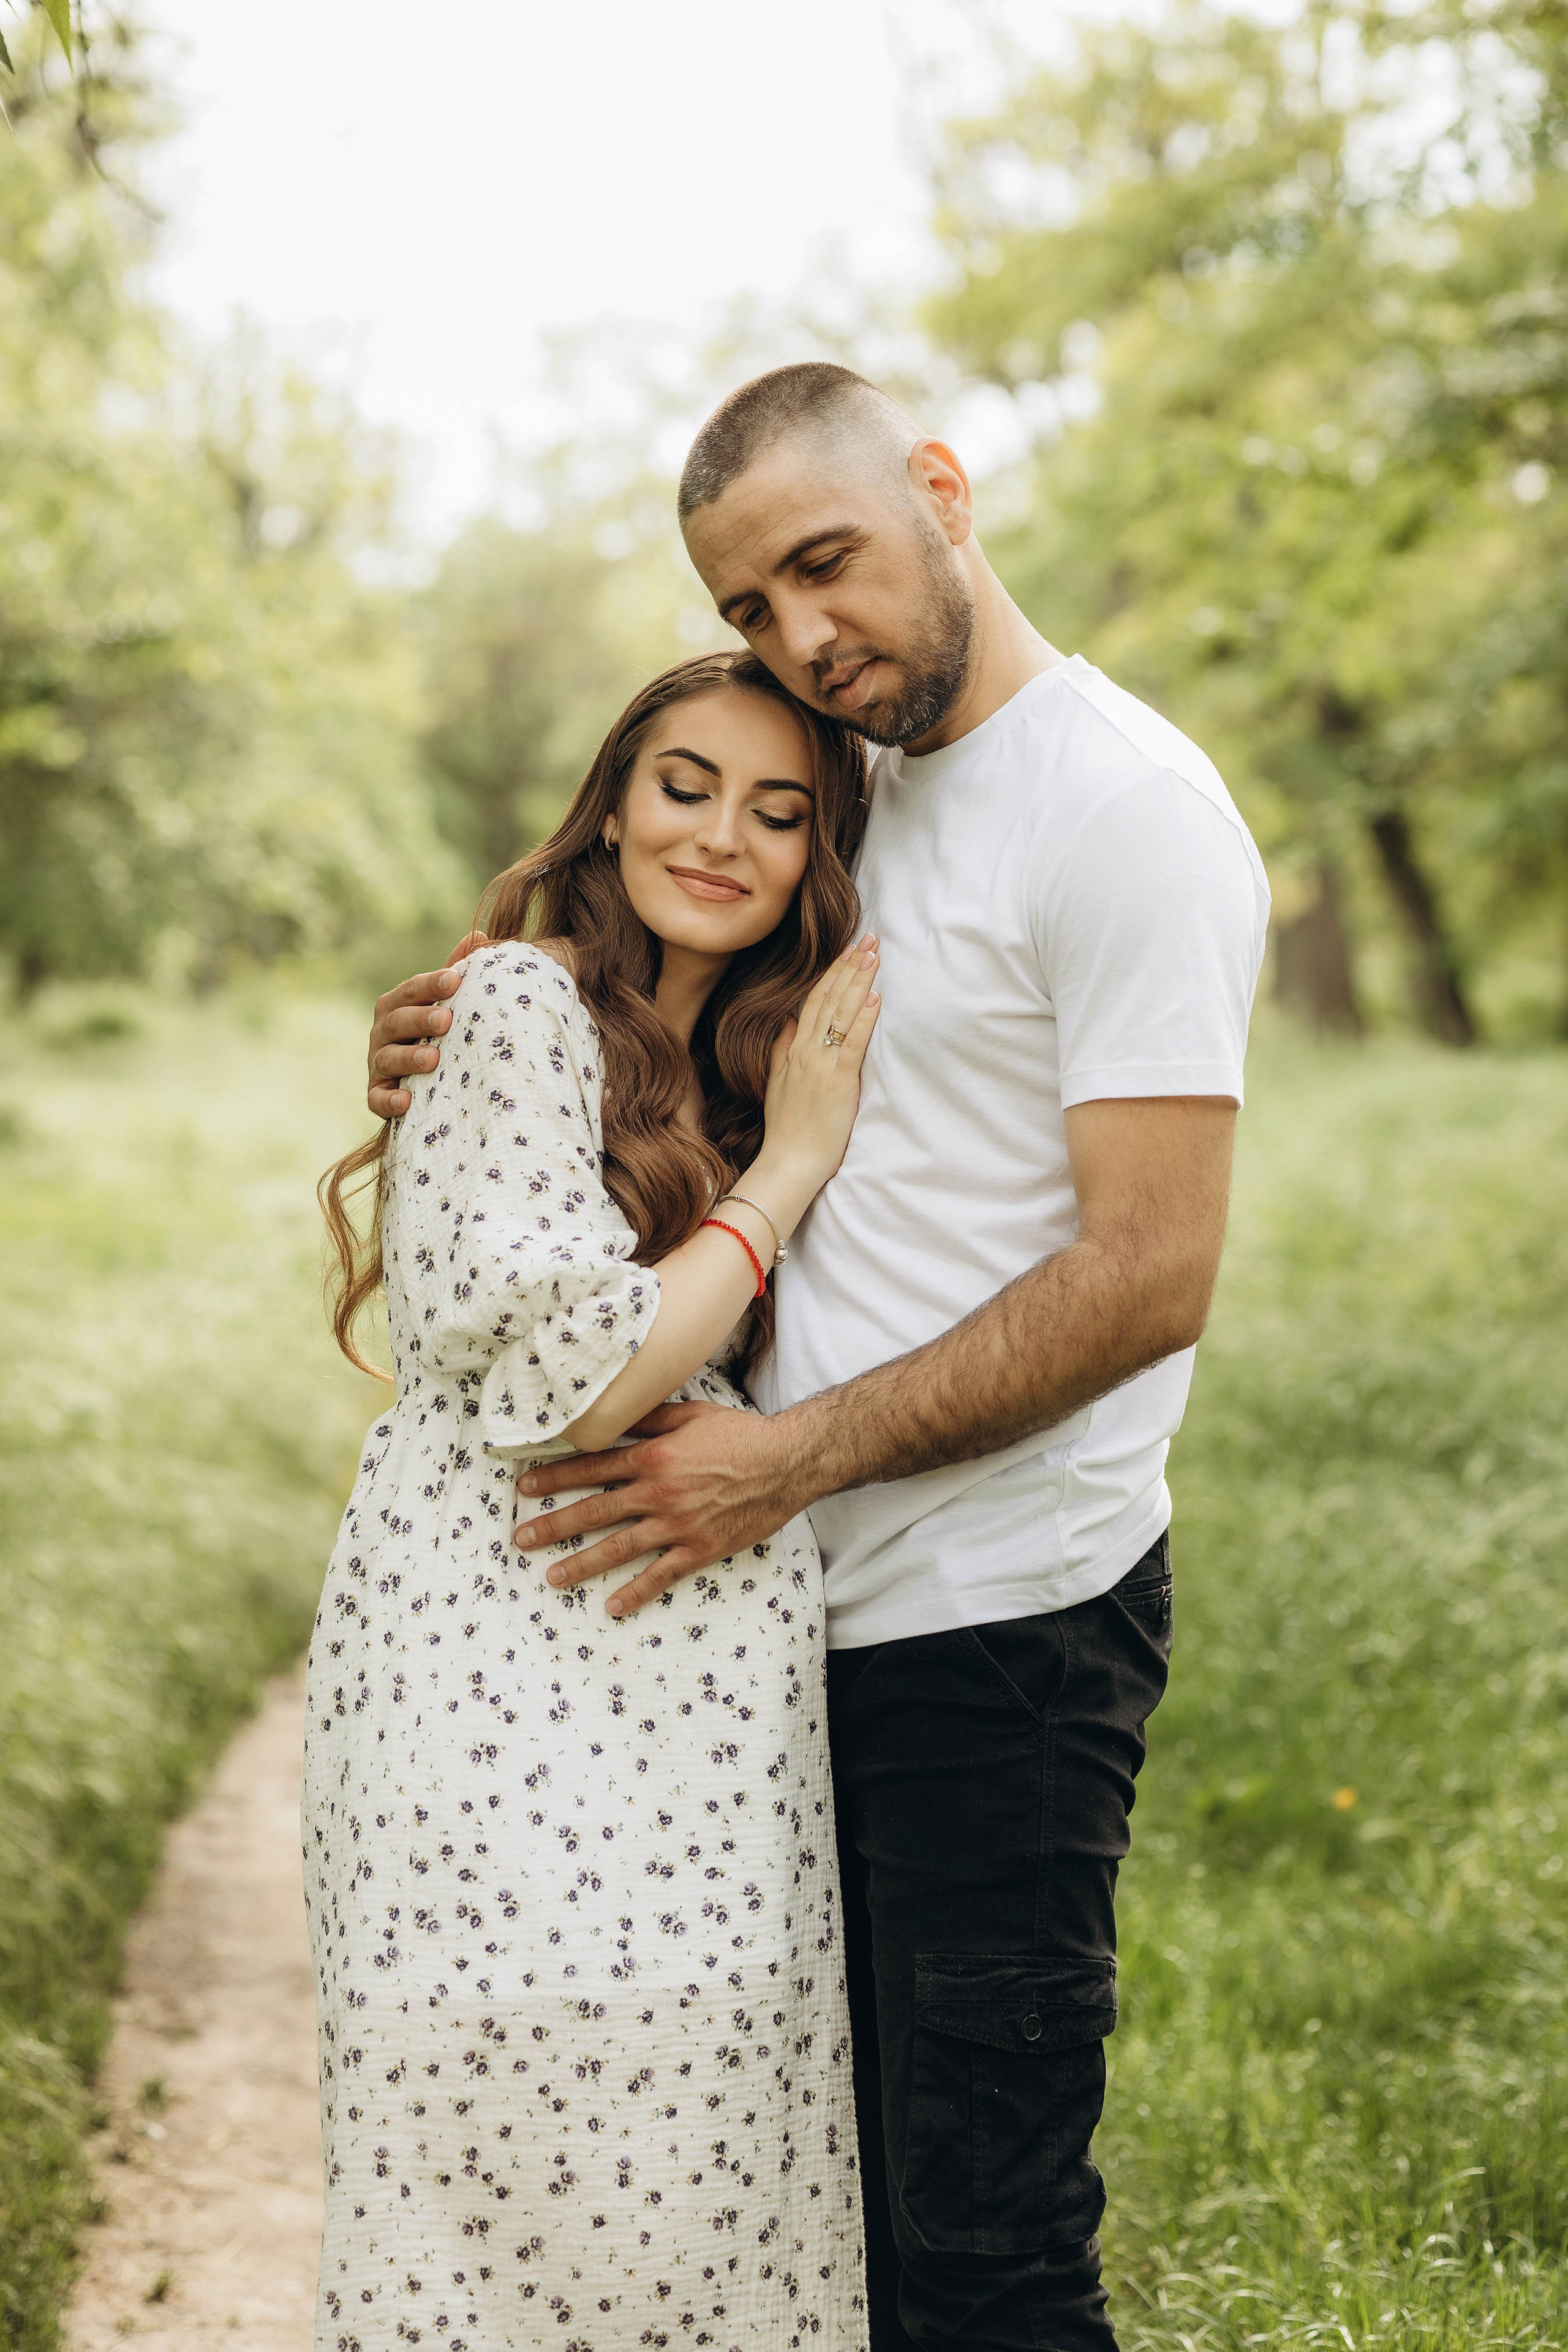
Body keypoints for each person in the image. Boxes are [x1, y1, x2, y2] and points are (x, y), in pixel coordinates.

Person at [366, 364, 1271, 2352]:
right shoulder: (849, 783)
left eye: (825, 564)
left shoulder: (1123, 812)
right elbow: (680, 1006)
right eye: (750, 608)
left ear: (943, 491)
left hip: (997, 1625)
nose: (800, 636)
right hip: (760, 1651)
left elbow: (1150, 1274)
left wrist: (787, 1463)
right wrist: (476, 1043)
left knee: (980, 2251)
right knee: (795, 2248)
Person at [307, 649, 881, 2351]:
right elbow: (576, 1371)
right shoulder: (514, 1008)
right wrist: (786, 1175)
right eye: (685, 785)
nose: (721, 836)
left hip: (703, 1714)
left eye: (780, 813)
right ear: (612, 803)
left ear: (818, 862)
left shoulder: (767, 1049)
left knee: (705, 2179)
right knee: (487, 2164)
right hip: (493, 1672)